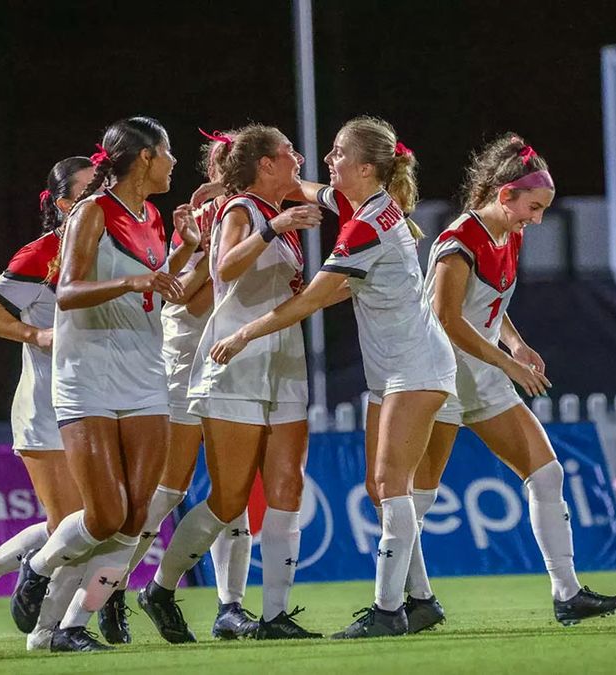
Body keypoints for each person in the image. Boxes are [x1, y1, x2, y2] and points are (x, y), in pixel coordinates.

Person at [210, 116, 456, 639]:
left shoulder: (366, 224)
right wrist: (225, 183)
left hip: (416, 367)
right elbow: (309, 187)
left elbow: (314, 298)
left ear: (366, 168)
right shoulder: (362, 205)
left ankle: (389, 611)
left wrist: (244, 333)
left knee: (392, 487)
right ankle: (421, 599)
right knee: (381, 488)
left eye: (339, 152)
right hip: (393, 370)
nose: (328, 159)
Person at [407, 135, 616, 632]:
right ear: (504, 194)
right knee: (418, 497)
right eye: (534, 206)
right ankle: (414, 597)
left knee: (547, 475)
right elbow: (446, 318)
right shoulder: (459, 240)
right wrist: (509, 365)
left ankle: (567, 594)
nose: (539, 218)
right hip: (440, 373)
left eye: (544, 208)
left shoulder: (510, 234)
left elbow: (490, 306)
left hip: (481, 371)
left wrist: (516, 344)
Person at [9, 117, 196, 653]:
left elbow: (162, 291)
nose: (173, 163)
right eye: (167, 153)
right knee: (105, 515)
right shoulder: (92, 211)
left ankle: (72, 626)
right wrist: (135, 279)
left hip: (142, 373)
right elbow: (68, 291)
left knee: (137, 520)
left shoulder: (154, 215)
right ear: (143, 158)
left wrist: (185, 248)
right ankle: (40, 564)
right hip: (87, 375)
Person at [139, 124, 324, 642]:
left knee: (286, 486)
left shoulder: (280, 218)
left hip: (284, 360)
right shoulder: (241, 210)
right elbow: (224, 266)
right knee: (229, 497)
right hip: (234, 363)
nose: (298, 158)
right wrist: (273, 225)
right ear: (265, 165)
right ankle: (161, 587)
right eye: (288, 153)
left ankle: (275, 614)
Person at [109, 131, 259, 642]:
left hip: (227, 362)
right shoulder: (198, 222)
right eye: (223, 163)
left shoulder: (250, 216)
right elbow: (182, 299)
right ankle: (111, 588)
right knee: (168, 489)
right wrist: (224, 270)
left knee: (231, 491)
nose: (229, 173)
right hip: (183, 362)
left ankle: (229, 606)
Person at [0, 157, 93, 647]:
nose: (102, 199)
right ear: (63, 204)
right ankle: (49, 631)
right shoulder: (41, 254)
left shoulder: (113, 248)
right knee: (75, 527)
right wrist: (35, 332)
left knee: (86, 523)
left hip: (100, 404)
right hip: (46, 409)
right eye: (89, 191)